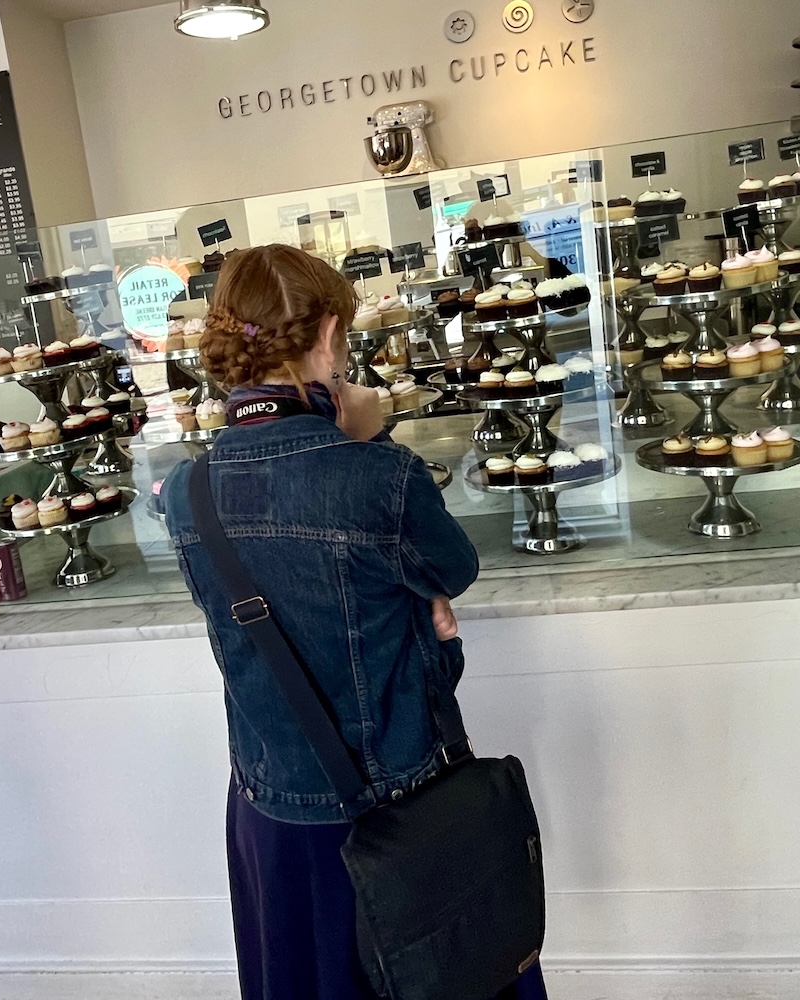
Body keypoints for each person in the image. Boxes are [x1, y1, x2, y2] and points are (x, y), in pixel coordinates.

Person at [163, 245, 547, 1000]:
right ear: (331, 334)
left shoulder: (187, 489)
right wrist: (370, 439)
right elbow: (454, 571)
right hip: (399, 808)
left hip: (271, 811)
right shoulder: (379, 475)